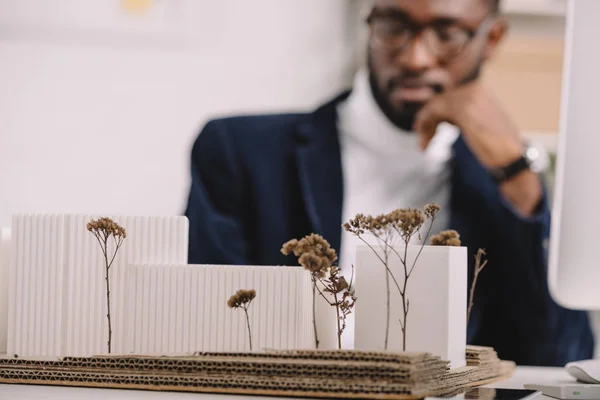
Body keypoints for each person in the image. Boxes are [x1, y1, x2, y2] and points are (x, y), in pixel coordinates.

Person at [184, 0, 594, 366]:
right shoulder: (242, 152)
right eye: (393, 27)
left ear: (493, 38)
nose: (415, 58)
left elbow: (561, 360)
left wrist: (516, 175)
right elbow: (205, 334)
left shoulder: (505, 181)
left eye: (447, 34)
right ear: (369, 23)